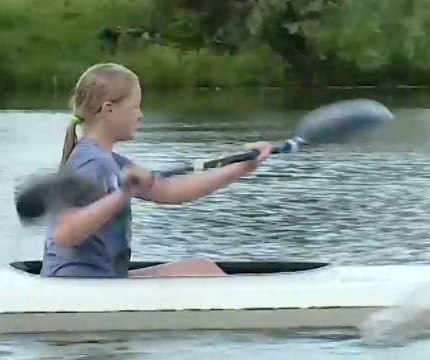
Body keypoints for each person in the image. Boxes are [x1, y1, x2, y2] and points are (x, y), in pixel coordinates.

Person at [40, 62, 273, 279]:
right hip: (81, 286)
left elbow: (169, 190)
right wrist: (121, 194)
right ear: (109, 110)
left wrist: (242, 167)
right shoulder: (94, 163)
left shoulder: (109, 159)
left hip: (101, 282)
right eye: (135, 107)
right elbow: (64, 233)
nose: (140, 115)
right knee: (204, 274)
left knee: (203, 269)